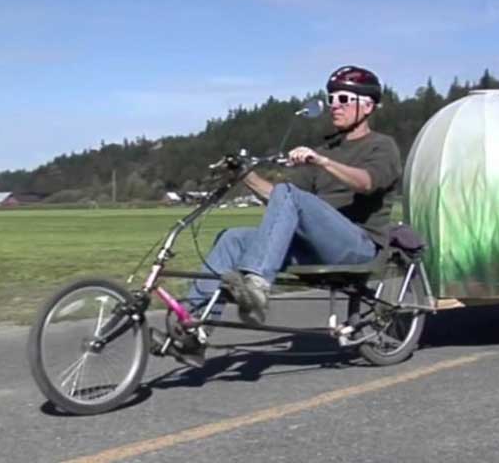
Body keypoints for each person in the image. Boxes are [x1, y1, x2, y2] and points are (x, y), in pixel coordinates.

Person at [167, 65, 402, 367]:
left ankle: (257, 287)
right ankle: (193, 332)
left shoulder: (381, 146)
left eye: (344, 98)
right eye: (331, 98)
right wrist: (245, 175)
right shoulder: (325, 149)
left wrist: (323, 162)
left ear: (367, 106)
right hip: (316, 245)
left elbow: (367, 182)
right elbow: (280, 198)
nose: (335, 105)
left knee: (289, 192)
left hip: (358, 244)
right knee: (232, 238)